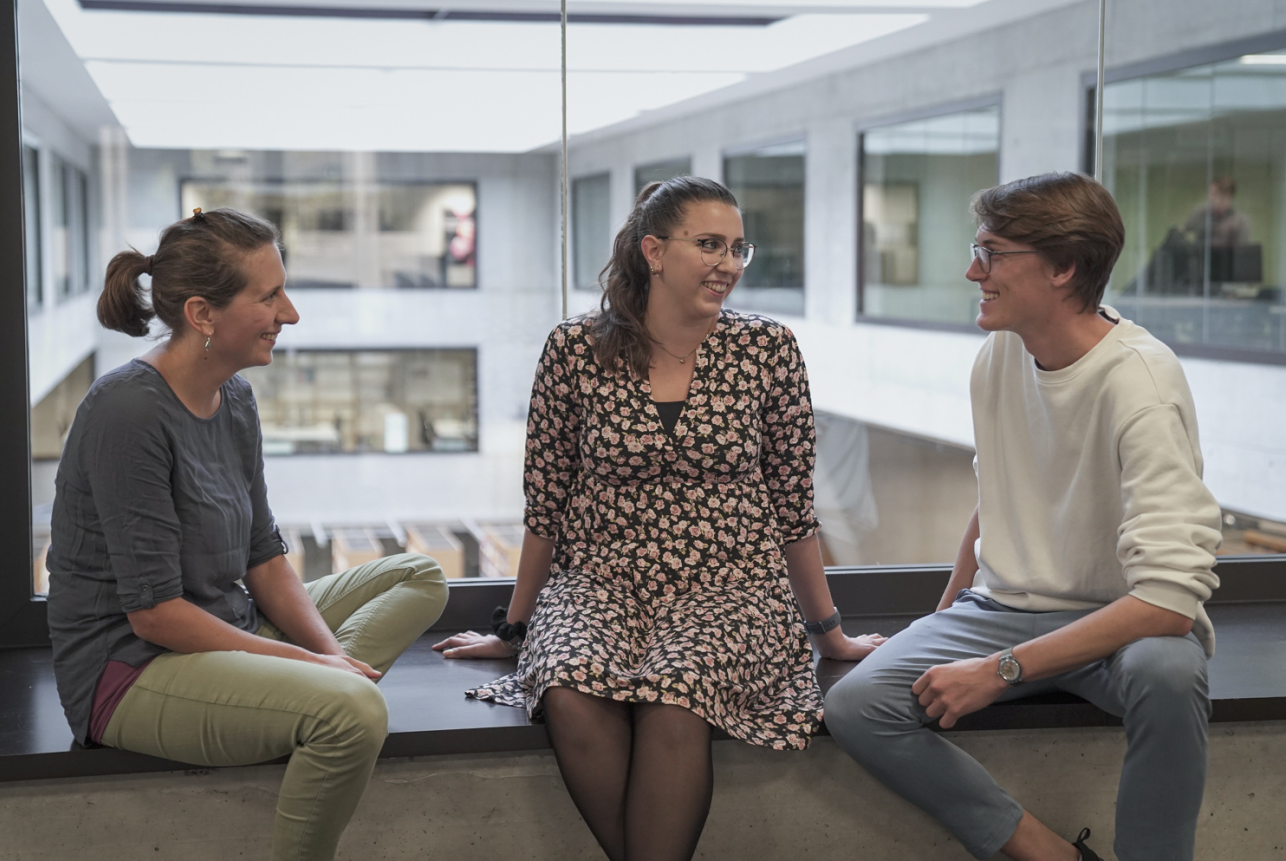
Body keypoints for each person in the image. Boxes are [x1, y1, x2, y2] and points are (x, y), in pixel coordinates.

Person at [433, 176, 885, 861]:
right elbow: (546, 507)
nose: (728, 264)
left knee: (677, 696)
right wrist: (517, 630)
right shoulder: (573, 350)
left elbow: (794, 509)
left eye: (738, 248)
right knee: (569, 685)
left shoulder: (768, 350)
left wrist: (830, 636)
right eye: (709, 245)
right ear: (653, 250)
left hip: (731, 589)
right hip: (599, 584)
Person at [824, 172, 1222, 861]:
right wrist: (936, 621)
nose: (972, 270)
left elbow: (1166, 606)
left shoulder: (1142, 383)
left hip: (1117, 623)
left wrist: (999, 670)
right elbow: (995, 503)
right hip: (1001, 609)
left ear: (1064, 268)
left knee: (1169, 672)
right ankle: (1049, 854)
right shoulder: (999, 356)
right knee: (857, 704)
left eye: (992, 252)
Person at [46, 208, 449, 861]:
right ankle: (322, 710)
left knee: (419, 576)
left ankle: (310, 701)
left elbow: (264, 558)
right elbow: (153, 615)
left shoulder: (234, 398)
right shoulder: (126, 412)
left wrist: (328, 659)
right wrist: (318, 671)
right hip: (129, 672)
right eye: (269, 296)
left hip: (225, 626)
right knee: (355, 715)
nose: (289, 314)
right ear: (204, 315)